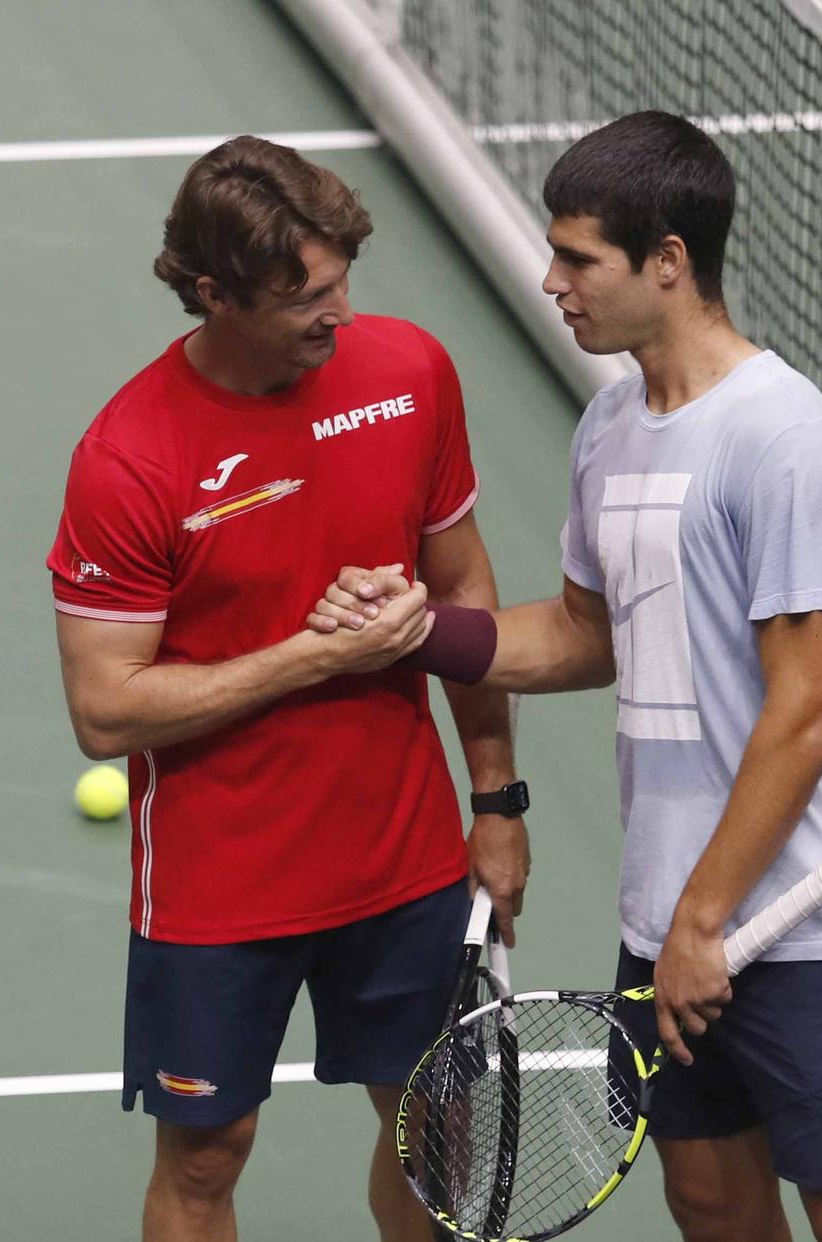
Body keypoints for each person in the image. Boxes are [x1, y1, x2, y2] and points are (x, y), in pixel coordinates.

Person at [309, 112, 822, 1241]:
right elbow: (585, 635)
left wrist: (702, 921)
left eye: (577, 259)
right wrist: (420, 633)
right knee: (706, 1199)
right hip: (672, 911)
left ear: (668, 263)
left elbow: (801, 712)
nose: (551, 281)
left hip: (804, 921)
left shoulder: (780, 435)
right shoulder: (610, 425)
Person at [47, 135, 531, 1242]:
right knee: (206, 1158)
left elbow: (462, 591)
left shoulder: (407, 373)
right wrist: (317, 656)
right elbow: (104, 710)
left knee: (434, 1130)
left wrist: (496, 800)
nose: (337, 313)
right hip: (221, 878)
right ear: (211, 293)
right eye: (302, 295)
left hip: (402, 852)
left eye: (341, 281)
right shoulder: (130, 458)